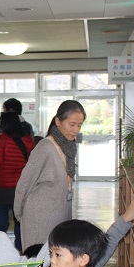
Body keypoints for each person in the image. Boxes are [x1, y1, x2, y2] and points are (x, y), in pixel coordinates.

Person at [14, 100, 86, 250]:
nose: (76, 130)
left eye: (79, 125)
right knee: (39, 263)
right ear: (58, 121)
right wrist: (19, 213)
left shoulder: (68, 148)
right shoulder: (45, 147)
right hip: (39, 217)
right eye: (72, 124)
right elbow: (25, 182)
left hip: (58, 215)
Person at [0, 111, 35, 250]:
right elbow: (33, 162)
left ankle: (0, 245)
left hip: (3, 185)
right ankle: (19, 247)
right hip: (21, 186)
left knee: (1, 215)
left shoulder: (1, 139)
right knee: (18, 218)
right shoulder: (28, 140)